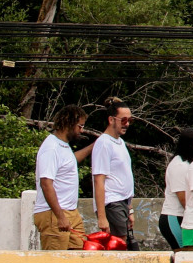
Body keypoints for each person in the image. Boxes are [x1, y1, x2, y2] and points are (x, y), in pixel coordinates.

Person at [34, 105, 88, 251]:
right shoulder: (51, 148)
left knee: (79, 255)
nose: (81, 130)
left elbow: (70, 162)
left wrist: (93, 146)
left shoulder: (63, 146)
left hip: (70, 211)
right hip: (54, 213)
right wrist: (60, 216)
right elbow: (46, 183)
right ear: (69, 123)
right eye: (80, 126)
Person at [90, 99, 137, 250]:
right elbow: (99, 181)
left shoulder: (120, 143)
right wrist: (102, 217)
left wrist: (129, 209)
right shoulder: (104, 143)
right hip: (112, 202)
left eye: (130, 120)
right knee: (119, 245)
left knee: (125, 244)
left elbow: (124, 178)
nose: (127, 124)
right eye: (123, 120)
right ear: (111, 120)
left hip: (122, 202)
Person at [159, 127, 193, 250]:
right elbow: (184, 199)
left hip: (186, 218)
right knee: (183, 254)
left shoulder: (192, 164)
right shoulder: (179, 165)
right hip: (174, 216)